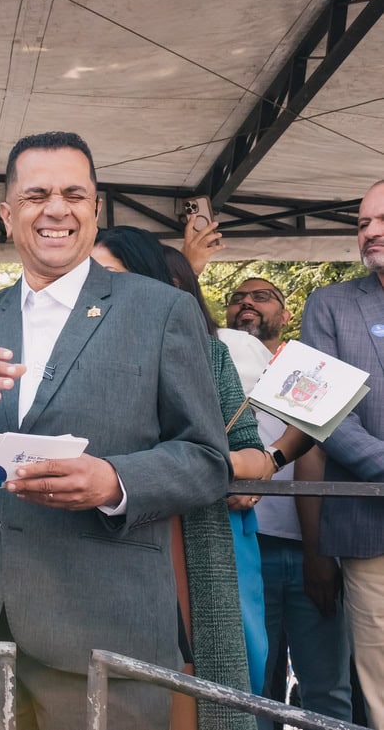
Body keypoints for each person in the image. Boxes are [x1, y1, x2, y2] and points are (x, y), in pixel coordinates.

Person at [0, 131, 231, 730]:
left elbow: (208, 460)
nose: (56, 209)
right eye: (37, 195)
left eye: (74, 194)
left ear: (96, 210)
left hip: (104, 630)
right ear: (7, 214)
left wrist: (115, 481)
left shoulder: (159, 311)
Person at [93, 227, 264, 728]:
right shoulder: (59, 355)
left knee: (183, 673)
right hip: (88, 538)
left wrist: (193, 463)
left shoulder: (209, 354)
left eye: (111, 277)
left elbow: (251, 454)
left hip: (179, 538)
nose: (98, 289)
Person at [217, 276, 353, 727]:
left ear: (286, 313)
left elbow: (315, 449)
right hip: (244, 545)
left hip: (311, 546)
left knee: (326, 685)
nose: (247, 304)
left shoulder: (310, 368)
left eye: (261, 297)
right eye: (237, 298)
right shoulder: (217, 361)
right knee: (254, 687)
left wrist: (317, 554)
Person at [300, 178, 384, 729]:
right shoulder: (330, 304)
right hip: (370, 528)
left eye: (383, 221)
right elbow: (322, 412)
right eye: (362, 223)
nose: (370, 232)